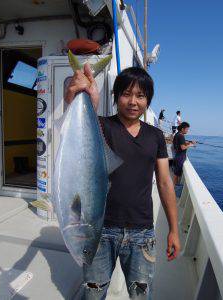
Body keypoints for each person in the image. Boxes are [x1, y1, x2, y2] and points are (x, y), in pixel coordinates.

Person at [65, 64, 180, 300]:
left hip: (142, 232)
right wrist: (76, 92)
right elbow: (78, 120)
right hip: (101, 229)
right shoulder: (103, 126)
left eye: (140, 95)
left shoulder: (155, 136)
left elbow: (165, 184)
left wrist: (174, 230)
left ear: (148, 100)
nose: (133, 101)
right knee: (93, 293)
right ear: (116, 97)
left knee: (141, 295)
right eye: (126, 94)